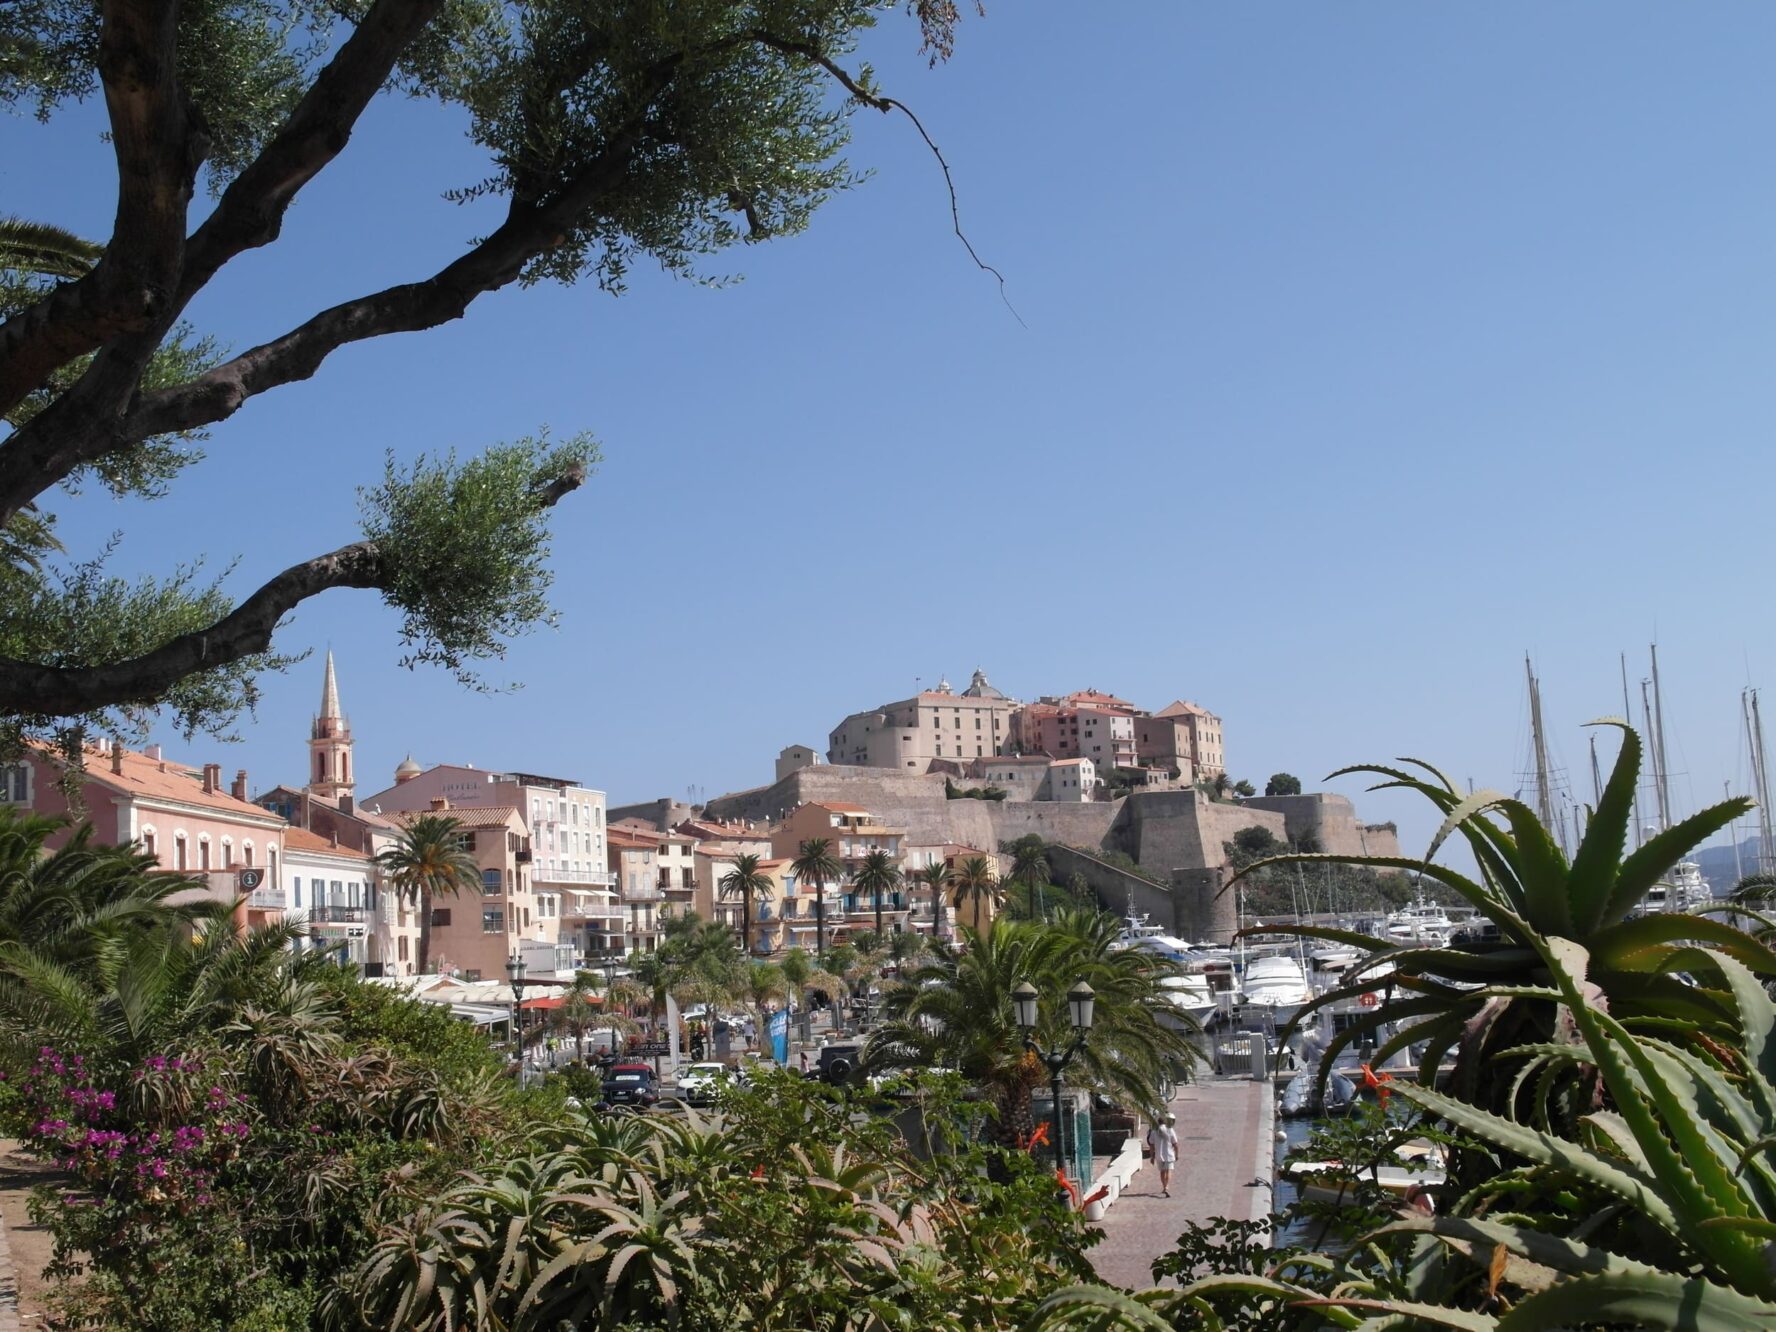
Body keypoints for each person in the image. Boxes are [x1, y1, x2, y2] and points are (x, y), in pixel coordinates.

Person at [1146, 1110, 1179, 1198]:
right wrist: (1177, 1155)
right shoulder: (1170, 1130)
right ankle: (1167, 1187)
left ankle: (1164, 1186)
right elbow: (1175, 1144)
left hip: (1158, 1155)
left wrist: (1152, 1157)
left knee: (1162, 1172)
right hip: (1169, 1155)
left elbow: (1151, 1145)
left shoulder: (1153, 1131)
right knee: (1168, 1171)